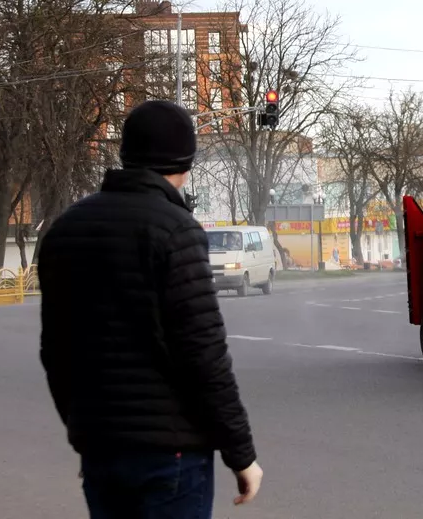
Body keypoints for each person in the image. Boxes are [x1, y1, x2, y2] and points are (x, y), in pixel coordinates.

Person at [38, 100, 263, 518]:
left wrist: (83, 432)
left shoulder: (65, 229)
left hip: (101, 447)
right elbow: (204, 357)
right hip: (171, 455)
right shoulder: (176, 231)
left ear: (126, 155)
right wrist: (241, 454)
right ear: (186, 160)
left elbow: (55, 351)